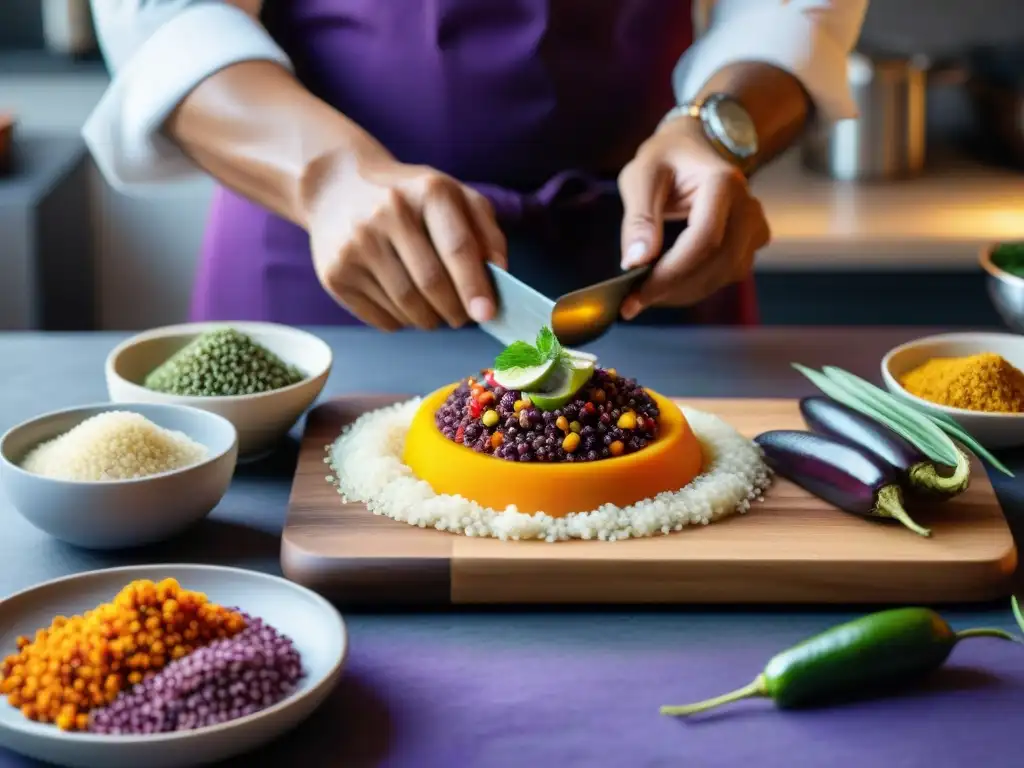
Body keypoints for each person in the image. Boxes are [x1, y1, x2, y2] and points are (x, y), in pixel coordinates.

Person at [84, 0, 867, 331]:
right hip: (325, 267)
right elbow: (165, 17)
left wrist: (717, 130)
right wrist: (326, 179)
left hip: (646, 260)